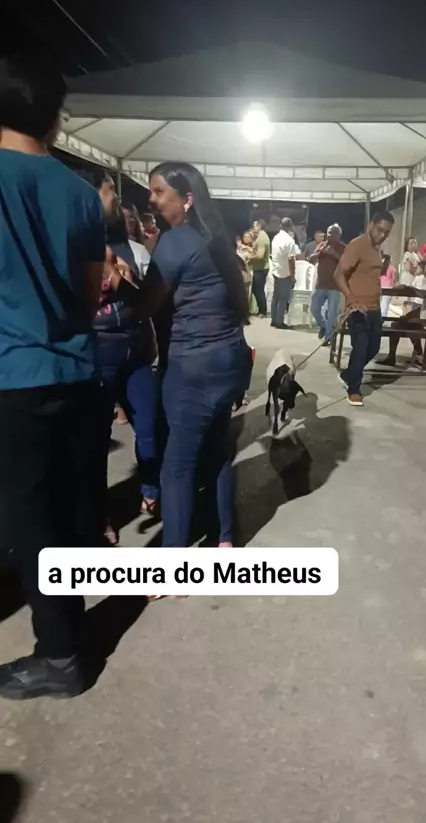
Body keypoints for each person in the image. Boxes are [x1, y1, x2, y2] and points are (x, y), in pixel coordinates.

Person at [0, 55, 106, 699]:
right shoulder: (81, 194)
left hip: (14, 377)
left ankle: (61, 657)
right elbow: (90, 296)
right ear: (54, 118)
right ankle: (67, 630)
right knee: (63, 514)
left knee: (31, 523)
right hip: (75, 374)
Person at [105, 161, 251, 550]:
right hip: (229, 358)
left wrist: (117, 279)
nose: (150, 200)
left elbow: (145, 307)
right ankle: (223, 539)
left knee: (177, 467)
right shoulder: (214, 237)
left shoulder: (175, 241)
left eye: (158, 192)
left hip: (194, 367)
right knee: (216, 452)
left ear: (186, 199)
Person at [95, 206, 159, 538]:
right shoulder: (77, 248)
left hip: (137, 352)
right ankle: (101, 515)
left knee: (148, 426)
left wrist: (127, 278)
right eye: (109, 192)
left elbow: (148, 300)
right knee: (95, 440)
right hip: (98, 353)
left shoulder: (135, 251)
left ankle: (151, 490)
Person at [334, 211, 395, 406]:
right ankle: (354, 389)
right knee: (360, 347)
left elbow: (367, 274)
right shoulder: (357, 245)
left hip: (374, 308)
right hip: (357, 308)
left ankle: (348, 375)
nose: (383, 235)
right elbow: (338, 274)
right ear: (370, 225)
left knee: (373, 348)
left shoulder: (376, 248)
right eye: (380, 230)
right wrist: (351, 299)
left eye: (387, 232)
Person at [378, 257, 426, 368]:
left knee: (397, 325)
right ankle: (418, 356)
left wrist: (408, 288)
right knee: (409, 321)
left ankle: (392, 357)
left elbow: (423, 294)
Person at [309, 223, 345, 345]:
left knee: (332, 313)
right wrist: (319, 253)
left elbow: (346, 264)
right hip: (320, 284)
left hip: (334, 285)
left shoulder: (343, 248)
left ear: (338, 235)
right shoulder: (322, 245)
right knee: (314, 308)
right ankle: (323, 326)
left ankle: (328, 337)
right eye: (328, 232)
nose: (329, 235)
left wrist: (333, 254)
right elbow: (311, 259)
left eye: (332, 233)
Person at [270, 217, 296, 329]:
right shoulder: (289, 241)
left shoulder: (275, 238)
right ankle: (279, 322)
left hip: (276, 270)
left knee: (276, 297)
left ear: (280, 225)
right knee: (283, 298)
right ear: (290, 227)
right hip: (285, 272)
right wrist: (293, 275)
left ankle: (274, 320)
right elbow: (291, 260)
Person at [121, 201, 151, 278]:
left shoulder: (140, 250)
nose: (130, 220)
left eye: (131, 216)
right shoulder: (108, 249)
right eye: (124, 217)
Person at [250, 219, 270, 317]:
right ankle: (260, 309)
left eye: (254, 226)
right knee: (255, 289)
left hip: (261, 268)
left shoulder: (262, 238)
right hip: (257, 267)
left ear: (259, 226)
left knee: (259, 290)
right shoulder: (258, 236)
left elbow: (260, 255)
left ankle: (263, 311)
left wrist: (249, 258)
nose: (252, 228)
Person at [380, 253, 397, 318]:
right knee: (385, 304)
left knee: (380, 303)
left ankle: (379, 316)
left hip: (380, 287)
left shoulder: (380, 267)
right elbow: (394, 279)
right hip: (389, 288)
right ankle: (384, 317)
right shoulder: (392, 268)